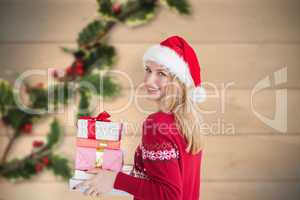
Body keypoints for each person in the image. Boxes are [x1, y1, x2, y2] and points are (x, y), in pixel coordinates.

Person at [74, 35, 207, 200]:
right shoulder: (188, 122)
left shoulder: (157, 124)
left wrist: (115, 180)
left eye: (161, 74)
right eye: (148, 70)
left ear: (178, 82)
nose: (149, 80)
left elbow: (169, 195)